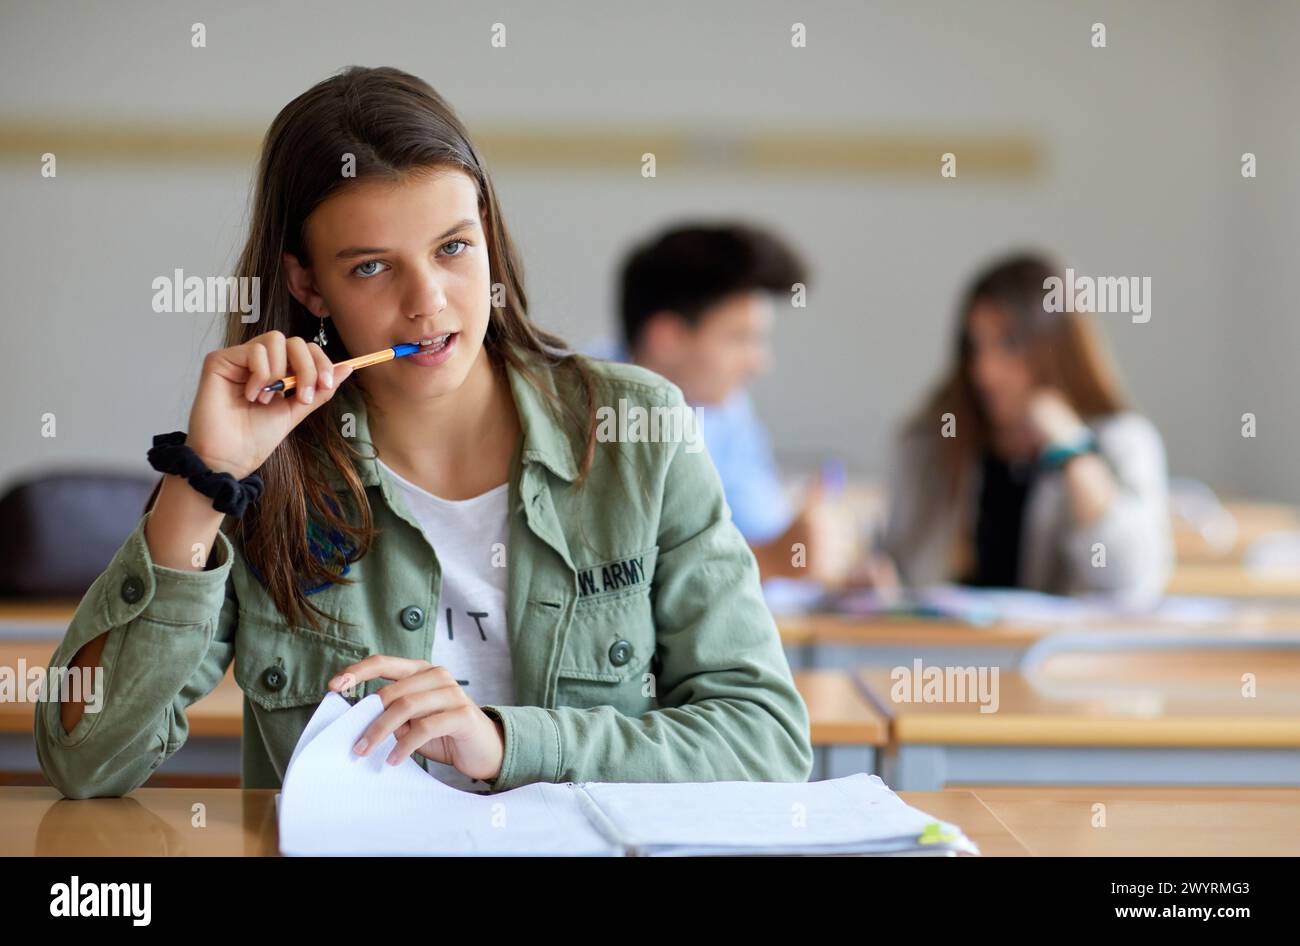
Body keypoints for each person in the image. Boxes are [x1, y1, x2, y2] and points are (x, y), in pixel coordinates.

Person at [35, 66, 812, 799]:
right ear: (308, 285)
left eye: (453, 249)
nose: (429, 302)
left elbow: (764, 742)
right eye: (373, 267)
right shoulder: (266, 466)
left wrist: (510, 743)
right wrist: (205, 478)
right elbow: (85, 762)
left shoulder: (638, 430)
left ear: (488, 238)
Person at [882, 253, 1172, 600]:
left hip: (1057, 652)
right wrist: (879, 578)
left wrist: (1074, 453)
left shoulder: (1120, 440)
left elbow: (1132, 579)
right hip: (943, 651)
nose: (986, 370)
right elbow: (900, 565)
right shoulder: (931, 442)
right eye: (976, 346)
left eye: (1009, 344)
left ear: (1055, 348)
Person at [609, 223, 854, 584]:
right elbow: (621, 577)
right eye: (740, 338)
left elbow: (764, 530)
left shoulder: (724, 410)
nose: (760, 362)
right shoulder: (593, 412)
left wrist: (832, 568)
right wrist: (771, 560)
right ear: (666, 338)